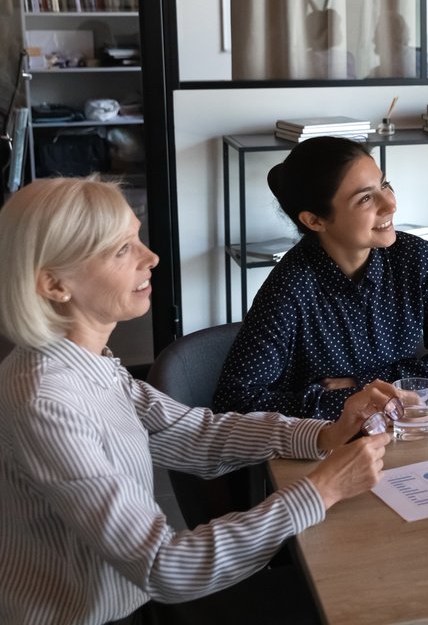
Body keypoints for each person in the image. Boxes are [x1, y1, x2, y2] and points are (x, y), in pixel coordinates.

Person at [0, 176, 393, 625]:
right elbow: (163, 567)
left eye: (137, 239)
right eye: (121, 250)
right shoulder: (46, 400)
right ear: (54, 285)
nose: (151, 257)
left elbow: (195, 434)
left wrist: (325, 434)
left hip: (127, 602)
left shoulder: (89, 366)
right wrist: (322, 490)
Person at [215, 136, 428, 419]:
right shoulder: (290, 287)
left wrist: (365, 384)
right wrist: (346, 402)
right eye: (366, 198)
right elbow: (234, 401)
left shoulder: (413, 257)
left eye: (384, 185)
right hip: (319, 445)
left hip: (400, 431)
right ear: (314, 221)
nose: (390, 204)